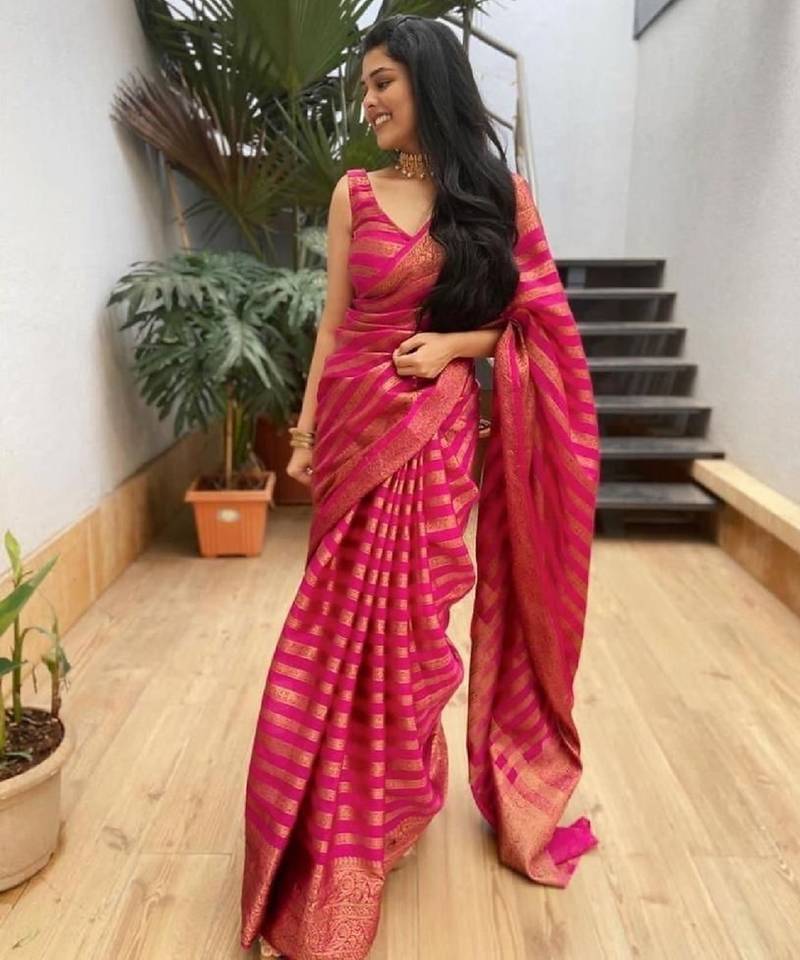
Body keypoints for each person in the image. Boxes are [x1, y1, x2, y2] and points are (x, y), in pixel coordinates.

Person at [241, 13, 600, 960]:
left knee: (404, 630)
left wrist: (451, 346)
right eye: (364, 85)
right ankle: (316, 817)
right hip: (354, 429)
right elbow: (332, 324)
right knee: (329, 627)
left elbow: (537, 332)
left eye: (382, 82)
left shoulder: (498, 197)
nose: (367, 102)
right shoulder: (353, 191)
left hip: (433, 433)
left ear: (428, 82)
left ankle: (392, 804)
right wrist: (305, 432)